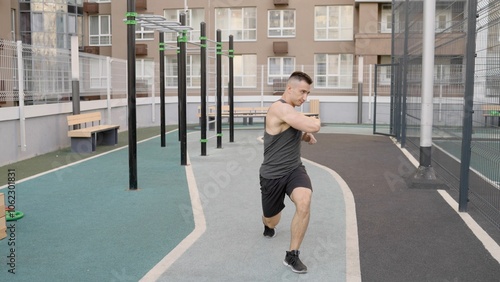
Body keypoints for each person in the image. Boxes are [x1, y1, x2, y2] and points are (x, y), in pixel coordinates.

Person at [259, 71, 321, 274]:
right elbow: (310, 124)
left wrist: (304, 137)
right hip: (272, 174)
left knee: (304, 200)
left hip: (294, 169)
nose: (305, 97)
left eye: (308, 93)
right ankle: (268, 225)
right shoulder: (279, 108)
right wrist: (314, 125)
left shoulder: (291, 111)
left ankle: (292, 254)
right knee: (271, 219)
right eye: (302, 92)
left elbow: (292, 127)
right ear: (289, 88)